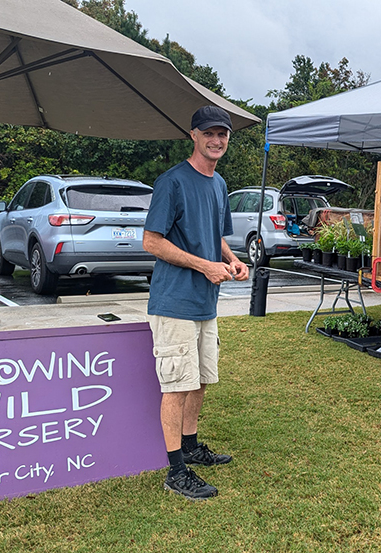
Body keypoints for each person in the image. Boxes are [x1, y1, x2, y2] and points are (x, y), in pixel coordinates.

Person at [142, 105, 250, 500]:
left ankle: (191, 446)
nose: (217, 140)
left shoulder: (219, 185)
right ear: (193, 135)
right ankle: (176, 471)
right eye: (209, 133)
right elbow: (151, 241)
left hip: (207, 302)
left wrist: (231, 260)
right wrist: (204, 265)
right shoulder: (172, 182)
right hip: (174, 303)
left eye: (223, 134)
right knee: (176, 385)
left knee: (200, 380)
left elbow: (215, 238)